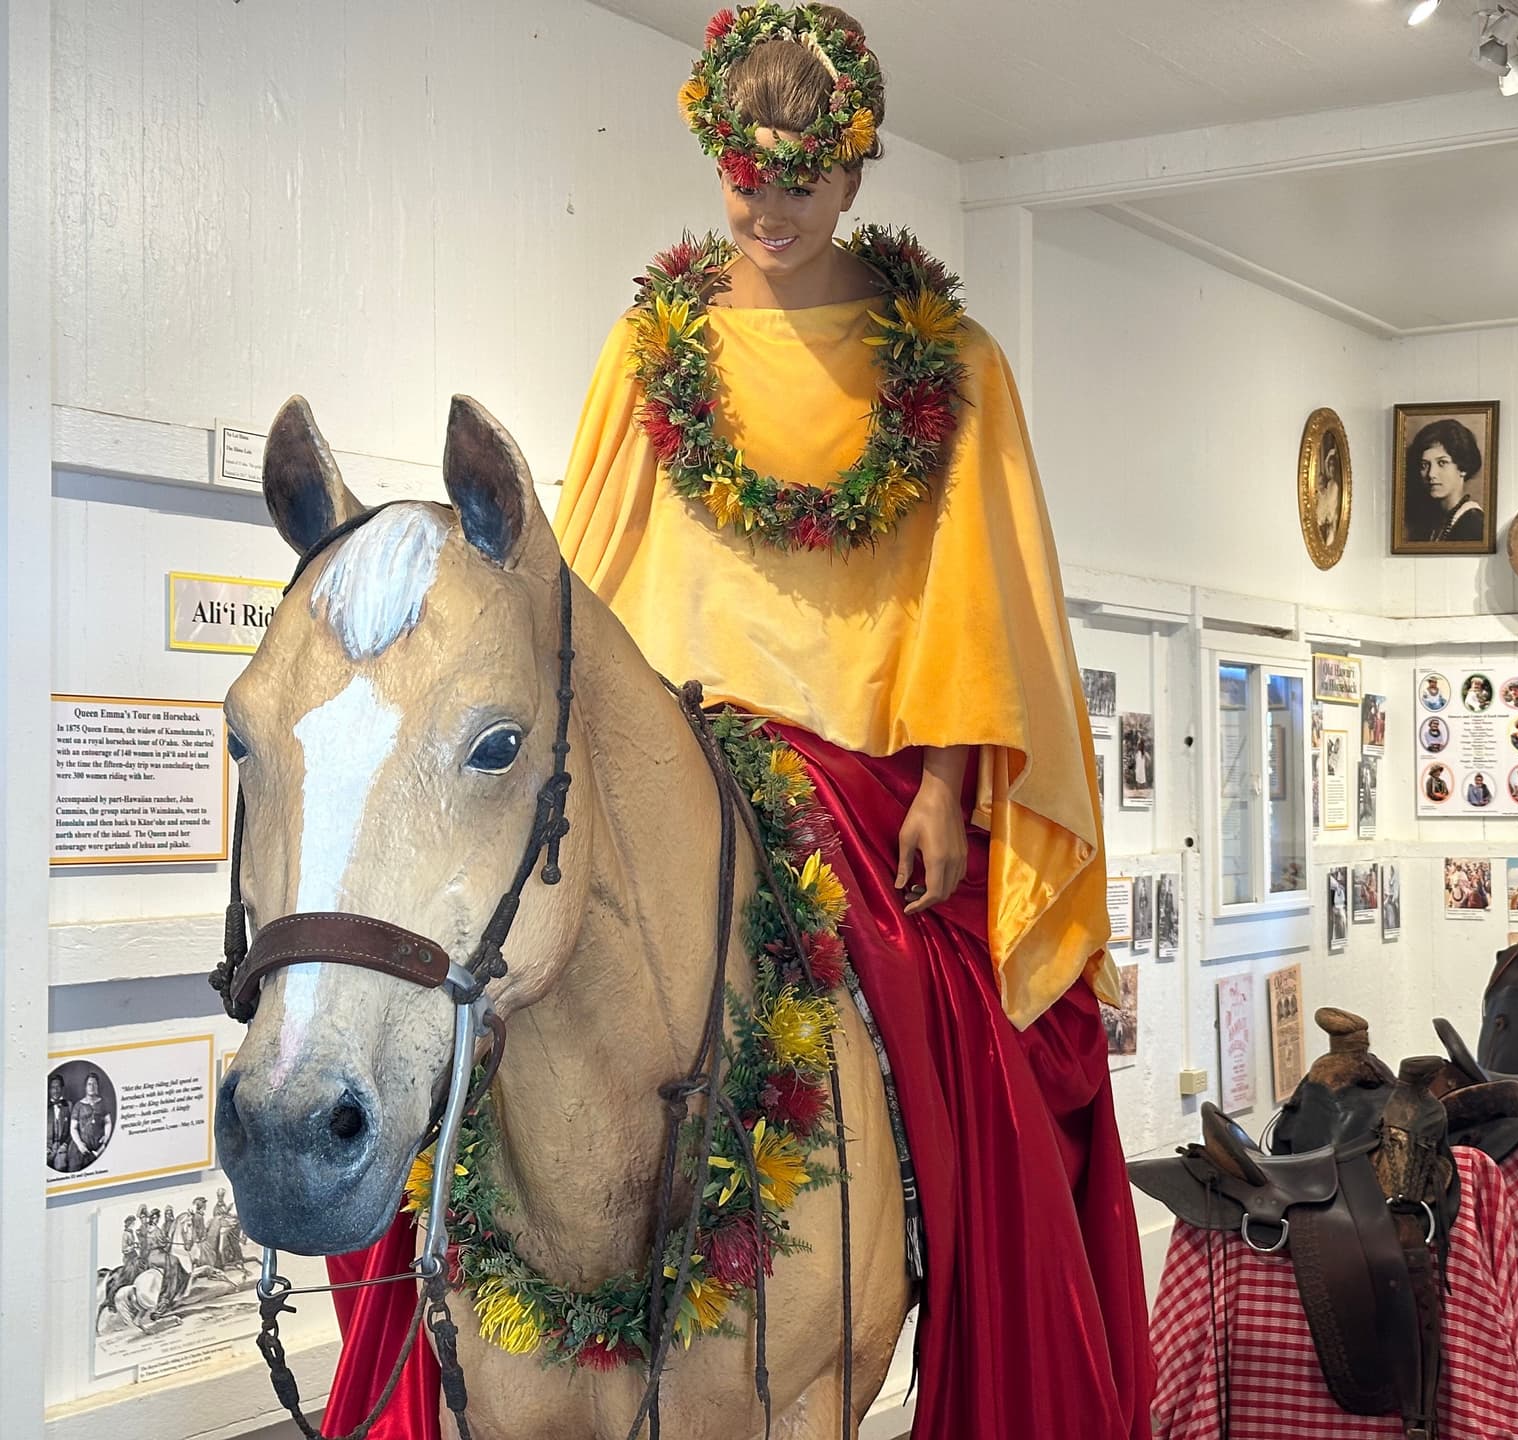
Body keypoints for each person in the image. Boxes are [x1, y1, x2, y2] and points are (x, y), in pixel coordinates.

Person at [310, 11, 1149, 1439]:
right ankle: (422, 1246)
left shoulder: (953, 363)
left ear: (856, 171)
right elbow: (587, 574)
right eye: (745, 180)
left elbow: (975, 589)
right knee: (487, 966)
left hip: (862, 766)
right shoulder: (655, 348)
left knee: (975, 1033)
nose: (768, 211)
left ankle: (970, 1291)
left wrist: (945, 783)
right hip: (676, 735)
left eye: (801, 183)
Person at [1404, 418, 1486, 544]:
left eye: (1442, 463)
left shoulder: (1473, 523)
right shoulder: (1435, 522)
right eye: (1424, 465)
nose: (1431, 474)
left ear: (1463, 467)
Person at [72, 1071, 112, 1166]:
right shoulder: (78, 1105)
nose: (92, 1086)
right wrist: (79, 1144)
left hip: (99, 1146)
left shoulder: (103, 1103)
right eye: (89, 1084)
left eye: (94, 1084)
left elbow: (108, 1122)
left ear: (97, 1086)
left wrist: (106, 1136)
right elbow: (73, 1128)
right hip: (82, 1147)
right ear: (85, 1087)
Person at [46, 1074, 74, 1172]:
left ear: (62, 1088)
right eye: (53, 1087)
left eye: (58, 1087)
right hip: (47, 1147)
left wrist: (65, 1145)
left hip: (62, 1147)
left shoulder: (69, 1105)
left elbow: (73, 1129)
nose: (55, 1090)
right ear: (49, 1090)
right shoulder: (43, 1105)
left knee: (60, 1166)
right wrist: (45, 1146)